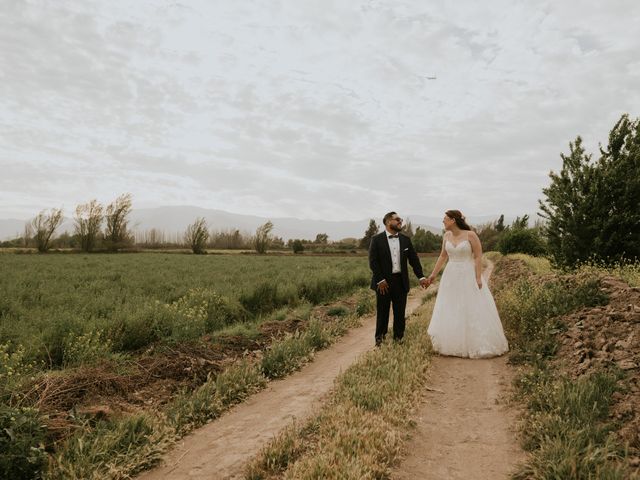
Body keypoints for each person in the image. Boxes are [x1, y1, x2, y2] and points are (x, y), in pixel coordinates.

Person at [426, 210, 508, 358]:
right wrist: (433, 275)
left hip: (467, 273)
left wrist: (478, 277)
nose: (443, 222)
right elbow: (443, 256)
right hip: (450, 275)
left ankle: (476, 343)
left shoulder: (470, 235)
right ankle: (452, 342)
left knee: (470, 305)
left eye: (445, 219)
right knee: (451, 305)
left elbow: (477, 256)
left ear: (453, 220)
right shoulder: (446, 236)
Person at [369, 212, 429, 346]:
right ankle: (380, 340)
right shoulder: (376, 239)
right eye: (397, 220)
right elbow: (373, 262)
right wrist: (380, 280)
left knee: (400, 313)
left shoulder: (405, 240)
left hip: (400, 282)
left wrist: (421, 276)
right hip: (383, 283)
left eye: (400, 220)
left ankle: (399, 339)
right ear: (388, 221)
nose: (400, 222)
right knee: (383, 312)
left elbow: (413, 260)